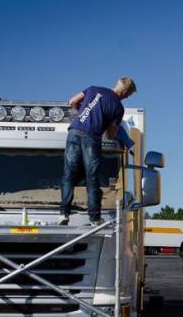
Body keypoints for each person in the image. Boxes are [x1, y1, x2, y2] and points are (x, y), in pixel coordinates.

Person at [58, 77, 137, 226]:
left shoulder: (93, 89)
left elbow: (72, 101)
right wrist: (106, 123)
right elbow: (110, 135)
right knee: (92, 177)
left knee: (69, 173)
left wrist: (82, 113)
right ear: (125, 92)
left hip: (74, 131)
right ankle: (94, 218)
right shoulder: (118, 107)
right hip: (91, 137)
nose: (127, 97)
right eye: (129, 95)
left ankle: (63, 214)